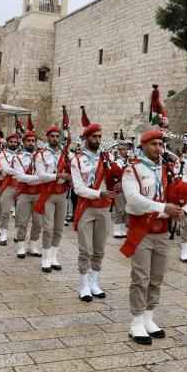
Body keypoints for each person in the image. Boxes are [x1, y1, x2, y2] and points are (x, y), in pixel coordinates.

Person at [122, 129, 187, 345]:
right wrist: (163, 206)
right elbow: (134, 200)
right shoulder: (132, 169)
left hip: (162, 230)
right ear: (143, 145)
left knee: (156, 277)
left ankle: (149, 317)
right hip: (141, 229)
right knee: (140, 277)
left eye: (160, 144)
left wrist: (185, 209)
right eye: (153, 144)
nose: (158, 148)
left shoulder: (168, 168)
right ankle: (136, 321)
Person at [71, 119, 117, 301]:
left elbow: (114, 177)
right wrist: (101, 193)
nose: (97, 139)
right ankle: (83, 286)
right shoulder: (76, 159)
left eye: (99, 136)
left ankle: (94, 283)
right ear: (86, 138)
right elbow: (78, 188)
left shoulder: (107, 157)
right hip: (86, 208)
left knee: (99, 249)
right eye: (94, 136)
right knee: (85, 249)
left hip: (104, 208)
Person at [32, 125, 71, 272]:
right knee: (48, 227)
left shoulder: (66, 154)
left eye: (57, 136)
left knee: (59, 228)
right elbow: (41, 175)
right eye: (52, 136)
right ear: (48, 138)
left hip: (62, 194)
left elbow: (73, 169)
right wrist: (58, 176)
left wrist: (69, 177)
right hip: (48, 193)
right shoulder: (41, 154)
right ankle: (46, 258)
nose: (55, 139)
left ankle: (54, 257)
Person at [7, 131, 43, 259]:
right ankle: (21, 246)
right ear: (23, 142)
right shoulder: (18, 157)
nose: (31, 143)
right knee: (22, 221)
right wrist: (40, 178)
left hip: (39, 193)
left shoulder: (41, 156)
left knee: (38, 222)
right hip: (24, 193)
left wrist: (41, 178)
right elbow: (21, 177)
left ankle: (33, 245)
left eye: (33, 141)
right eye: (29, 141)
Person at [112, 143, 131, 238]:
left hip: (128, 188)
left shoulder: (129, 162)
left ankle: (123, 230)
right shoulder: (116, 162)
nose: (124, 151)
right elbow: (114, 175)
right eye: (121, 149)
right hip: (119, 187)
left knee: (126, 210)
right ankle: (117, 230)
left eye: (125, 149)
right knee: (119, 209)